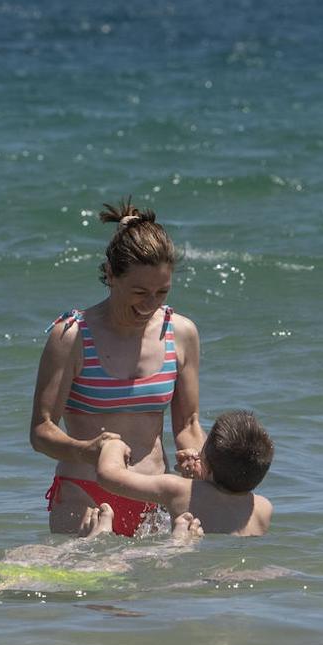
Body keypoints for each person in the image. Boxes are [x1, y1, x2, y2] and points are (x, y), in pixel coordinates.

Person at [30, 197, 204, 536]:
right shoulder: (72, 335)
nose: (151, 304)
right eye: (140, 292)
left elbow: (189, 424)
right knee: (94, 586)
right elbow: (41, 431)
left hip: (155, 495)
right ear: (110, 274)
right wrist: (88, 450)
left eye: (162, 292)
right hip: (85, 495)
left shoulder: (181, 333)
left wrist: (193, 453)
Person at [95, 409, 274, 536]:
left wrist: (112, 446)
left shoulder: (178, 489)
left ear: (207, 465)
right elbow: (220, 503)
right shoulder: (263, 509)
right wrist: (203, 476)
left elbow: (109, 476)